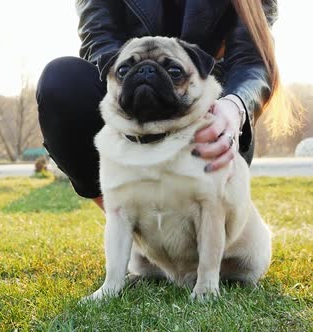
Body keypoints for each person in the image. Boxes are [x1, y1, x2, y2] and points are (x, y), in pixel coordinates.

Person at [37, 0, 290, 208]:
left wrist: (234, 107)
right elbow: (100, 41)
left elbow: (252, 60)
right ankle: (128, 224)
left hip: (208, 119)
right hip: (128, 112)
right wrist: (136, 95)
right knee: (61, 81)